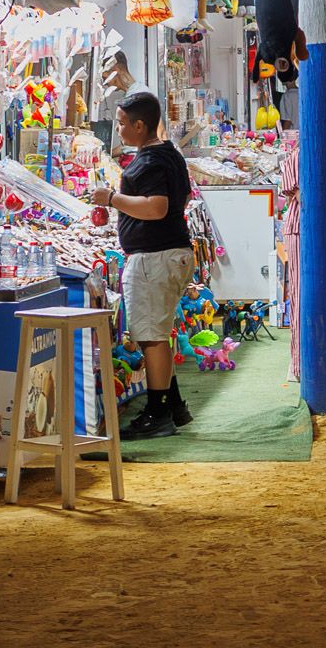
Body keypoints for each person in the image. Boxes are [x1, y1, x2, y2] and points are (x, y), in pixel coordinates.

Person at [93, 91, 196, 438]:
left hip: (156, 258)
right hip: (168, 254)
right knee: (158, 333)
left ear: (139, 125)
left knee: (150, 336)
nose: (119, 129)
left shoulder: (151, 162)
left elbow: (157, 207)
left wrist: (112, 199)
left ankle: (157, 414)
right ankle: (173, 404)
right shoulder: (169, 155)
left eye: (122, 123)